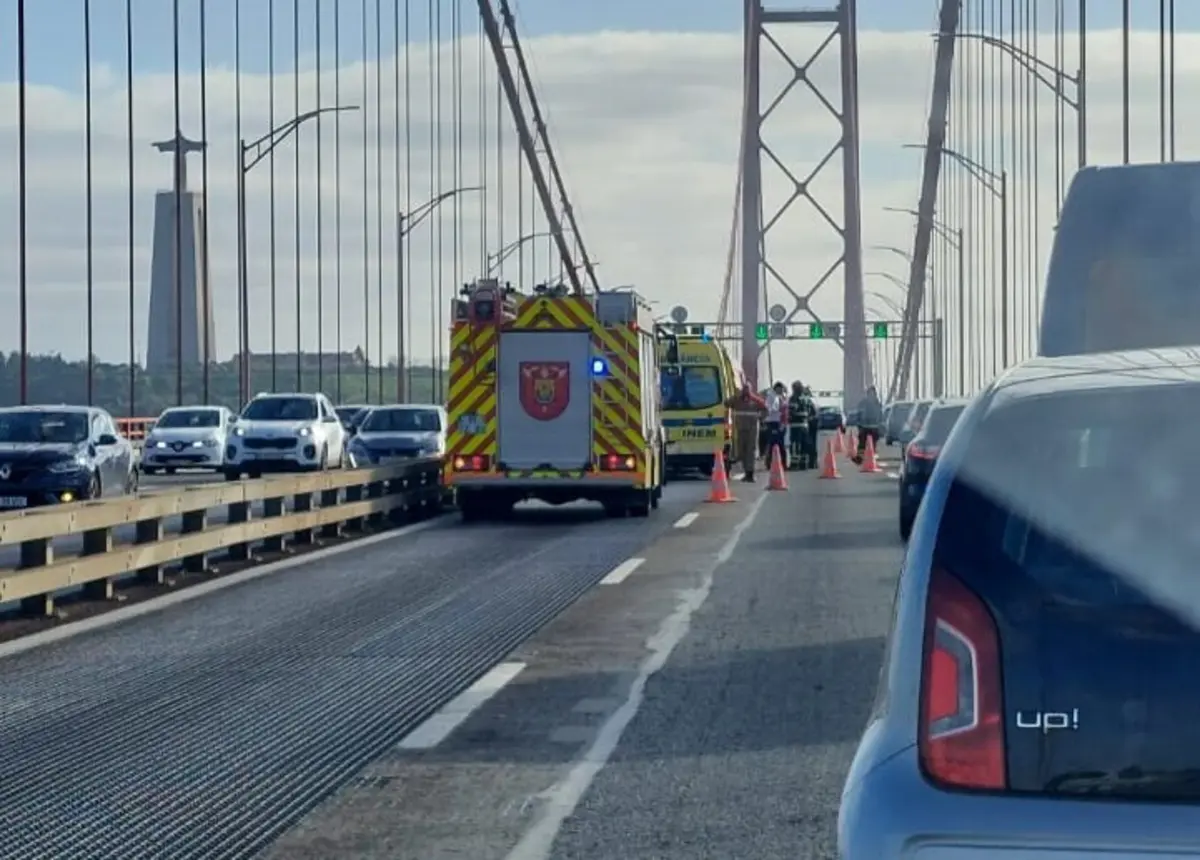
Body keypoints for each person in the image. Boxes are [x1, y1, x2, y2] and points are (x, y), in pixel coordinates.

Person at [725, 383, 767, 482]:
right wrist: (735, 395)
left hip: (752, 429)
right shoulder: (736, 400)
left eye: (747, 389)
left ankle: (750, 473)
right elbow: (726, 403)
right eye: (744, 389)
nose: (745, 391)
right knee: (741, 451)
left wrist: (761, 419)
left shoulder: (755, 400)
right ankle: (746, 472)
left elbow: (765, 409)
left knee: (750, 451)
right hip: (740, 429)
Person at [788, 381, 818, 469]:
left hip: (795, 425)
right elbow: (813, 412)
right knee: (804, 445)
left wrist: (789, 418)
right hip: (805, 425)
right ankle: (803, 464)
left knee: (795, 446)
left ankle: (794, 464)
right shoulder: (807, 399)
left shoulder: (793, 398)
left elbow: (791, 411)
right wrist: (808, 418)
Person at [853, 385, 884, 464]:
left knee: (871, 445)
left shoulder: (877, 403)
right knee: (862, 444)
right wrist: (859, 424)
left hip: (874, 427)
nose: (871, 395)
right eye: (870, 393)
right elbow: (859, 414)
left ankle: (870, 459)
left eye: (872, 393)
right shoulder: (864, 403)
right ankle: (860, 459)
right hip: (865, 427)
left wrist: (881, 426)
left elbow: (880, 415)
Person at [762, 381, 789, 468]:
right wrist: (778, 410)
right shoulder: (771, 396)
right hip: (772, 422)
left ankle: (781, 463)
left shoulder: (779, 397)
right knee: (774, 443)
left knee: (778, 443)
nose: (782, 391)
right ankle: (771, 463)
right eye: (781, 389)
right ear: (777, 388)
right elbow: (769, 408)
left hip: (778, 422)